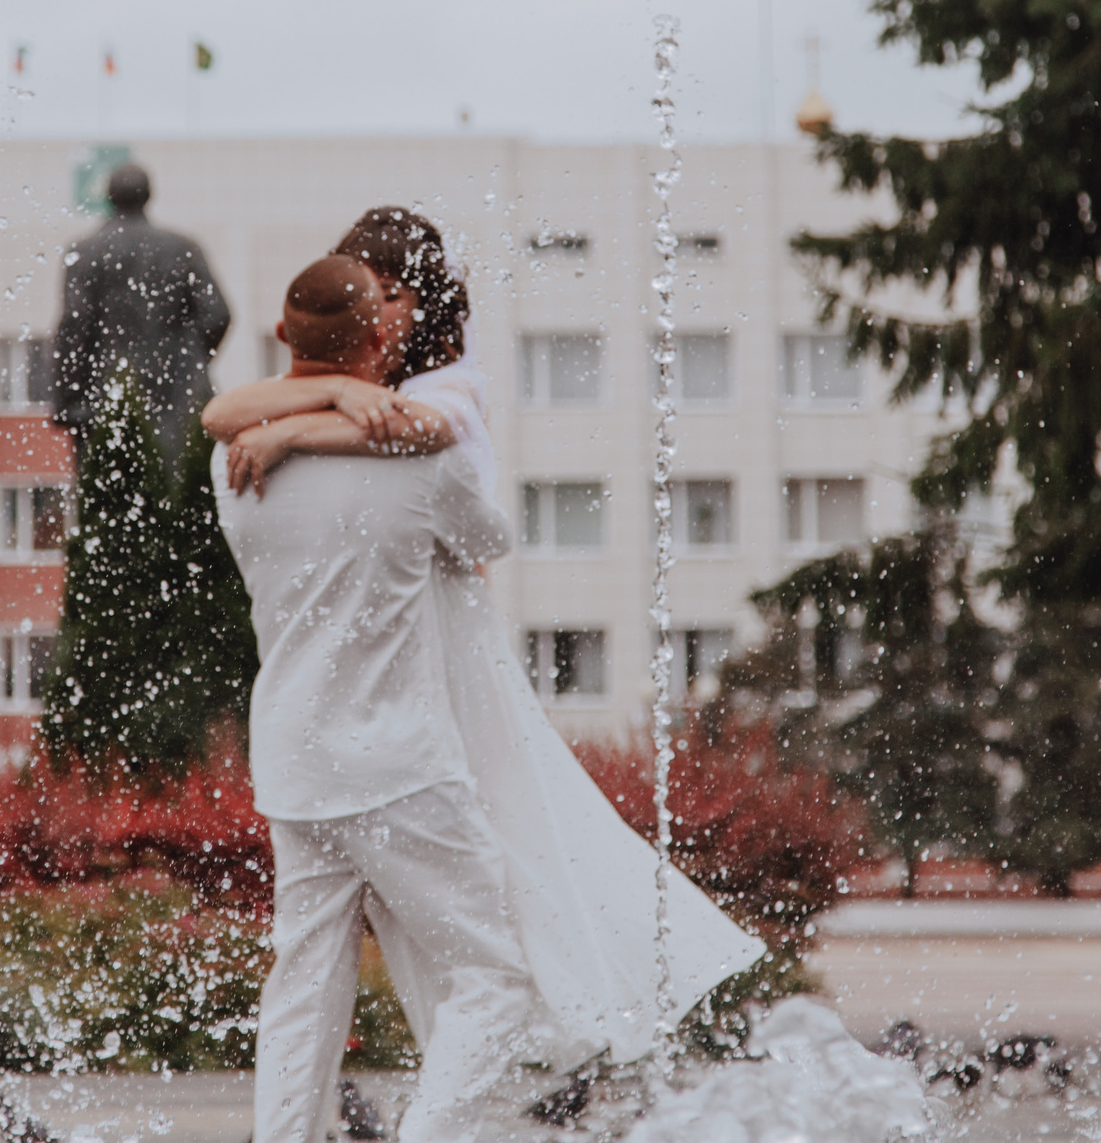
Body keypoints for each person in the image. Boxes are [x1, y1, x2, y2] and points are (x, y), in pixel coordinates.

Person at [205, 208, 762, 1074]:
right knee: (420, 918)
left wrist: (293, 426)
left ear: (420, 302)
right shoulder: (343, 391)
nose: (378, 309)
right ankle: (498, 1053)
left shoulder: (449, 387)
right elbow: (222, 408)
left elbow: (422, 436)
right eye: (365, 291)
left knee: (510, 840)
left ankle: (567, 1030)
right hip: (388, 666)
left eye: (392, 292)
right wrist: (335, 393)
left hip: (442, 647)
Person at [213, 256, 552, 1143]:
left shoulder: (234, 461)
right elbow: (490, 537)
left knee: (304, 987)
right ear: (378, 340)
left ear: (283, 337)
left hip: (292, 758)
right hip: (399, 762)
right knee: (494, 979)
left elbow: (238, 412)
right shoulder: (420, 460)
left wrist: (307, 424)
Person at [49, 161, 231, 451]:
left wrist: (67, 400)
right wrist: (187, 361)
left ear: (108, 196)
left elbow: (74, 326)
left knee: (111, 487)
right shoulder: (183, 248)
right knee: (181, 489)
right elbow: (217, 315)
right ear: (149, 196)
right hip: (178, 397)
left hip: (107, 395)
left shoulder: (85, 252)